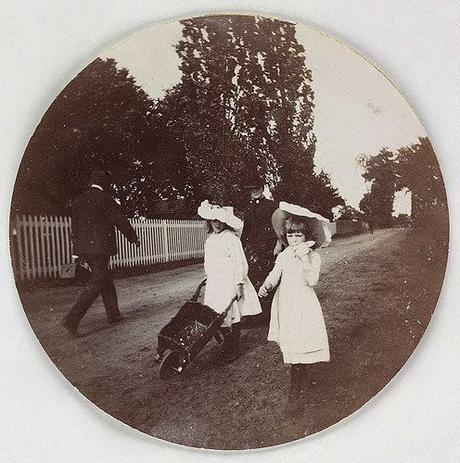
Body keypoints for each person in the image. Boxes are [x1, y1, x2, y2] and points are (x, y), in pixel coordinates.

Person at [258, 202, 330, 417]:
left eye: (298, 235)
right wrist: (266, 285)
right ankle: (298, 380)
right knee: (291, 343)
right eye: (290, 235)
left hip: (302, 303)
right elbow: (275, 273)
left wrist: (305, 259)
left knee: (301, 343)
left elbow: (312, 281)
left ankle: (296, 393)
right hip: (286, 302)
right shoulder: (284, 255)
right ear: (285, 237)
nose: (294, 240)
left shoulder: (313, 256)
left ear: (306, 236)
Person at [62, 169, 139, 336]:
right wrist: (133, 238)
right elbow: (120, 221)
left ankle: (114, 315)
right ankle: (71, 320)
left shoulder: (78, 201)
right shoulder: (106, 199)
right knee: (98, 282)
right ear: (103, 182)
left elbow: (74, 229)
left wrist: (76, 253)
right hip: (100, 249)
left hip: (84, 249)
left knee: (105, 278)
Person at [198, 200, 262, 363]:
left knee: (232, 313)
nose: (217, 224)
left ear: (225, 221)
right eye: (213, 220)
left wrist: (239, 283)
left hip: (230, 281)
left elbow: (239, 262)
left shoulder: (232, 239)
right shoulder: (210, 240)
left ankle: (233, 346)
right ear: (209, 222)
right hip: (216, 282)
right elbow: (208, 261)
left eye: (220, 220)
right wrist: (210, 277)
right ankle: (227, 342)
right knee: (216, 314)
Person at [240, 179, 278, 324]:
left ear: (262, 189)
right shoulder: (248, 208)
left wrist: (279, 243)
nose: (254, 191)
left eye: (256, 188)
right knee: (254, 276)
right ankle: (258, 313)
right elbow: (246, 229)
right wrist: (241, 247)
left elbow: (279, 225)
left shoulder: (272, 205)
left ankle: (271, 313)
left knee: (270, 276)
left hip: (270, 246)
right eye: (251, 189)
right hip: (255, 248)